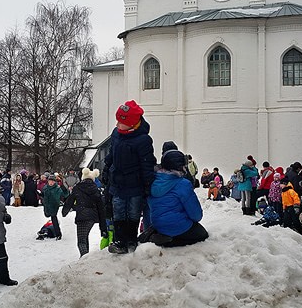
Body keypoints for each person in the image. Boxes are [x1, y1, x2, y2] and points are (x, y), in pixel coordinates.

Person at [103, 100, 156, 254]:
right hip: (117, 183)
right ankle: (120, 241)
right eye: (117, 120)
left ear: (133, 124)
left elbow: (147, 164)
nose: (118, 124)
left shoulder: (143, 140)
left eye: (122, 122)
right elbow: (111, 154)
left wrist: (147, 184)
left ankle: (131, 240)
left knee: (133, 212)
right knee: (118, 211)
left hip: (135, 184)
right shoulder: (116, 134)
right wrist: (107, 169)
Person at [147, 149, 208, 247]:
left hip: (157, 223)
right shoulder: (183, 184)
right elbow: (196, 215)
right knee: (202, 235)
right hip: (177, 226)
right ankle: (168, 241)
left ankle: (158, 235)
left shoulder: (153, 180)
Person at [62, 168, 107, 257]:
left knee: (81, 241)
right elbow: (101, 208)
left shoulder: (77, 188)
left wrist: (65, 211)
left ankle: (84, 259)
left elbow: (70, 200)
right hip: (92, 217)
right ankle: (86, 258)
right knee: (85, 238)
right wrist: (103, 228)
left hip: (82, 216)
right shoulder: (96, 189)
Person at [41, 175, 69, 240]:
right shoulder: (45, 187)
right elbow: (43, 194)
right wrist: (40, 194)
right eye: (49, 181)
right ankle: (51, 228)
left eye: (52, 181)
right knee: (47, 215)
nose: (51, 183)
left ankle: (58, 234)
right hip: (46, 205)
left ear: (54, 182)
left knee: (54, 218)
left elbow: (65, 194)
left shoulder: (57, 189)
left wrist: (63, 187)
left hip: (54, 205)